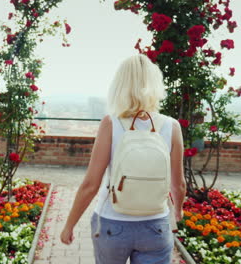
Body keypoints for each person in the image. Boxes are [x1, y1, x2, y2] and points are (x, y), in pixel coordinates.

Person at [60, 54, 186, 264]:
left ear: (120, 85)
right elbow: (178, 185)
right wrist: (178, 211)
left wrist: (69, 225)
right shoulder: (171, 126)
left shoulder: (112, 123)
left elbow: (91, 184)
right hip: (156, 223)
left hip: (112, 223)